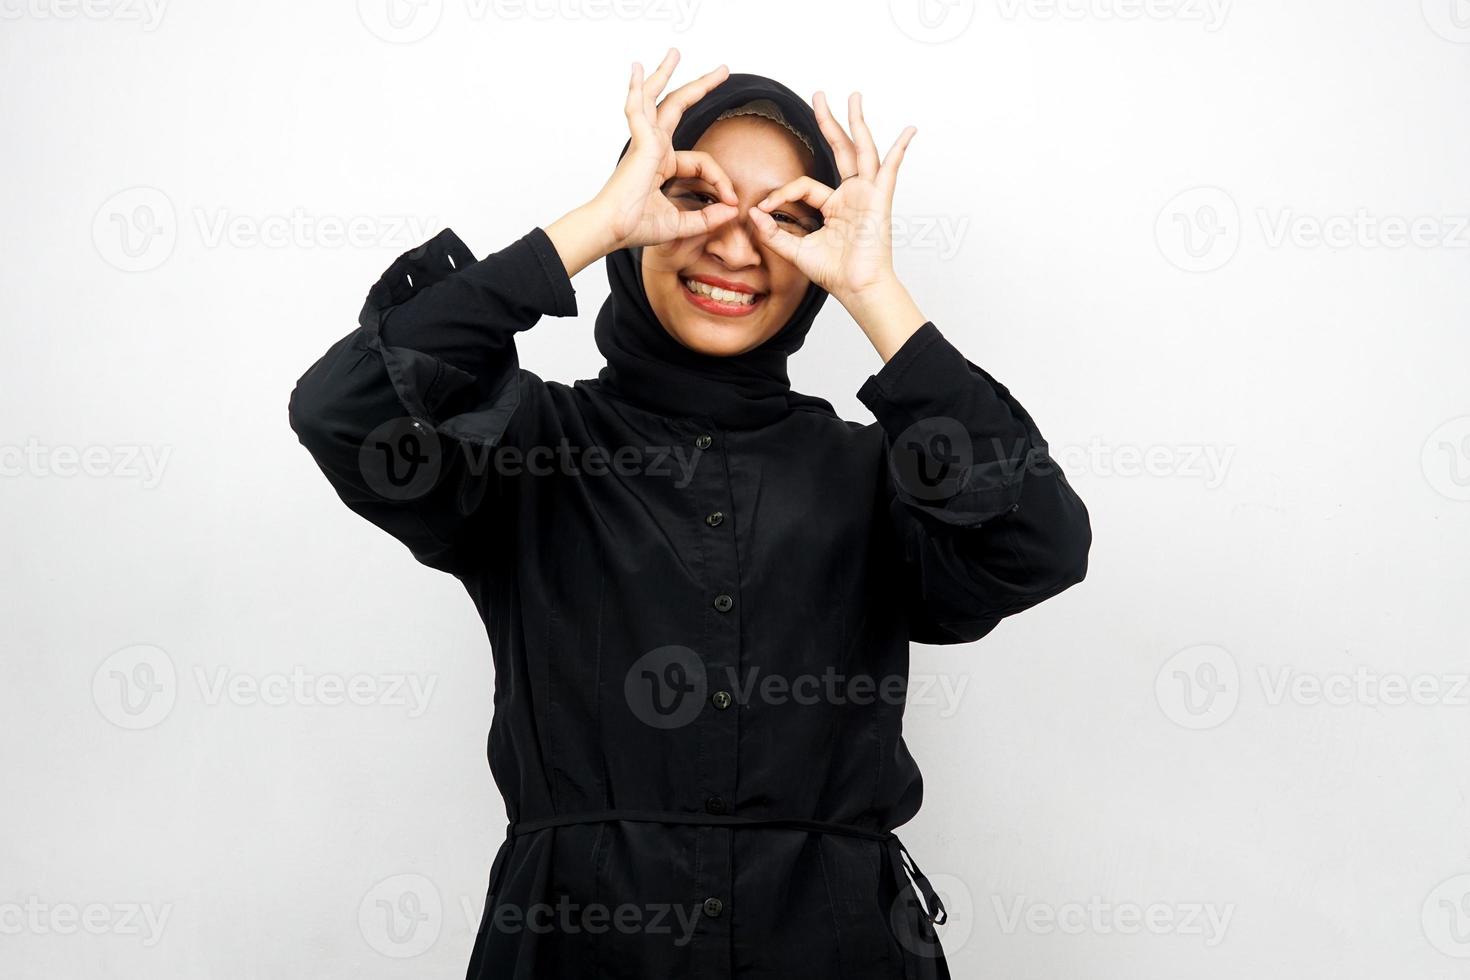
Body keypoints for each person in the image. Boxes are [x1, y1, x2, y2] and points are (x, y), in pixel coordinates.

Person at [288, 48, 1091, 980]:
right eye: (694, 199)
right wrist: (593, 224)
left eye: (788, 218)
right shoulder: (529, 447)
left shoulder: (873, 471)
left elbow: (1039, 540)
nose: (736, 245)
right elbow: (342, 410)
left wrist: (876, 292)